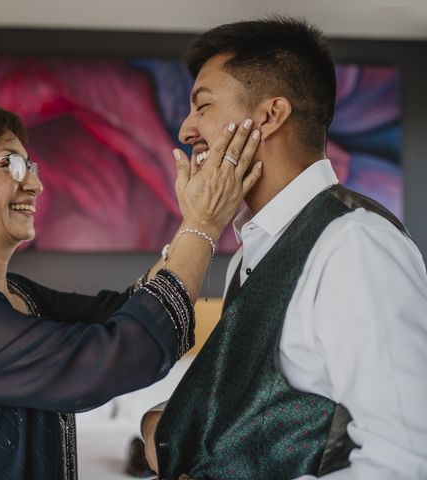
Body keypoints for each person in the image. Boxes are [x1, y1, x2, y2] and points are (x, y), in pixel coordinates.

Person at [0, 98, 262, 479]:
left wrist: (192, 221)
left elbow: (132, 308)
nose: (36, 185)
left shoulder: (14, 295)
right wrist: (205, 224)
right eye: (11, 164)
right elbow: (118, 354)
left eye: (31, 166)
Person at [141, 16, 427, 480]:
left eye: (204, 106)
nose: (186, 130)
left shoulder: (354, 246)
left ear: (270, 116)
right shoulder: (248, 253)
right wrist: (165, 424)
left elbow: (407, 459)